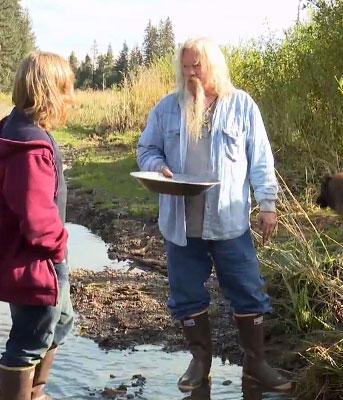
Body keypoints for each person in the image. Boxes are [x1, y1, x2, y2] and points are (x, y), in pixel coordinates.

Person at [137, 37, 291, 393]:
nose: (191, 73)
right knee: (187, 293)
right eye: (186, 67)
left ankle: (256, 364)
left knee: (248, 291)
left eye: (197, 67)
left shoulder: (242, 106)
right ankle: (200, 362)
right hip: (181, 222)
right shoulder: (167, 108)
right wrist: (157, 166)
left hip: (229, 220)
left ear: (214, 66)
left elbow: (261, 159)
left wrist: (267, 204)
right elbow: (147, 148)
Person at [0, 52, 75, 399]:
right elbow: (34, 215)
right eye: (66, 89)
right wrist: (58, 244)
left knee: (61, 322)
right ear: (50, 92)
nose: (71, 98)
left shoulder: (17, 128)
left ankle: (37, 392)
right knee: (29, 339)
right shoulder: (27, 145)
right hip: (37, 259)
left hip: (32, 256)